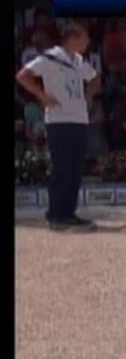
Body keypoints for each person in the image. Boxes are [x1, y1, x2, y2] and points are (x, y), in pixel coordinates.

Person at [15, 22, 100, 231]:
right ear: (72, 38)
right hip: (59, 120)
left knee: (75, 169)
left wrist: (88, 98)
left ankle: (69, 212)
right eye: (84, 37)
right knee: (61, 168)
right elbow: (22, 76)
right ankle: (56, 214)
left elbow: (95, 79)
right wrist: (42, 96)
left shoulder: (80, 61)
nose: (87, 41)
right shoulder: (51, 58)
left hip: (79, 119)